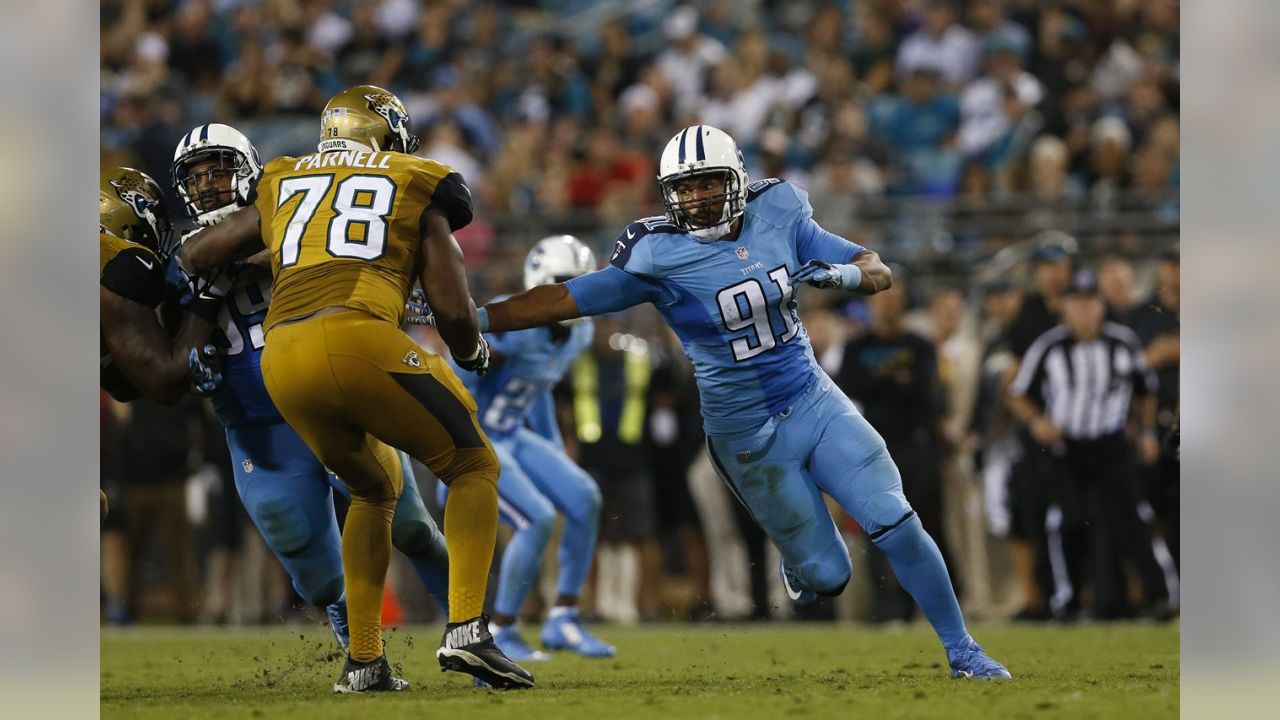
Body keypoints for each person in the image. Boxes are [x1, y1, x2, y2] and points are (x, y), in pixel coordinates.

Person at [466, 125, 1010, 679]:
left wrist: (841, 274)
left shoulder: (781, 210)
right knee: (829, 576)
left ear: (738, 179)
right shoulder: (658, 254)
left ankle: (963, 650)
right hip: (745, 437)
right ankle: (801, 563)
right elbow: (564, 299)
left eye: (708, 184)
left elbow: (878, 269)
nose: (698, 198)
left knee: (896, 519)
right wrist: (474, 316)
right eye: (686, 188)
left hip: (813, 400)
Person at [175, 86, 533, 692]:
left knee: (373, 492)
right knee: (472, 465)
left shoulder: (283, 176)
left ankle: (364, 662)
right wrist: (472, 348)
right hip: (357, 336)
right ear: (387, 134)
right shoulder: (419, 176)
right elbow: (450, 304)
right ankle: (468, 630)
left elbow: (196, 252)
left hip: (281, 357)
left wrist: (271, 260)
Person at [169, 122, 452, 650]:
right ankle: (363, 654)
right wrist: (193, 360)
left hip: (332, 402)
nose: (208, 185)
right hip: (258, 427)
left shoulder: (300, 216)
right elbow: (169, 336)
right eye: (197, 176)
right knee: (315, 573)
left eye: (220, 170)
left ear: (249, 170)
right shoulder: (179, 257)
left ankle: (468, 626)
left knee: (410, 525)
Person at [434, 235, 613, 660]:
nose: (575, 294)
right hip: (477, 439)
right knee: (538, 518)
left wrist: (551, 448)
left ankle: (563, 618)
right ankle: (501, 628)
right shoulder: (511, 322)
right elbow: (454, 387)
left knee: (584, 497)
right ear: (542, 282)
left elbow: (541, 388)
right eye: (566, 283)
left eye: (581, 283)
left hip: (514, 434)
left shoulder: (579, 333)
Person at [1008, 269, 1178, 619]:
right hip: (1068, 448)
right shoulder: (1050, 346)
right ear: (1066, 307)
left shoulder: (1122, 342)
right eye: (1077, 303)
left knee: (1133, 521)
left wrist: (1145, 432)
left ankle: (1160, 597)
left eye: (1091, 302)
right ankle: (1067, 602)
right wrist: (1037, 420)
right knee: (1067, 522)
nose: (1085, 311)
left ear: (1101, 305)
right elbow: (1018, 393)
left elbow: (1145, 390)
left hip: (1111, 445)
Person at [99, 166, 218, 405]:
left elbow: (124, 386)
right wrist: (210, 292)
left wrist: (184, 370)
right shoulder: (121, 259)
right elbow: (164, 385)